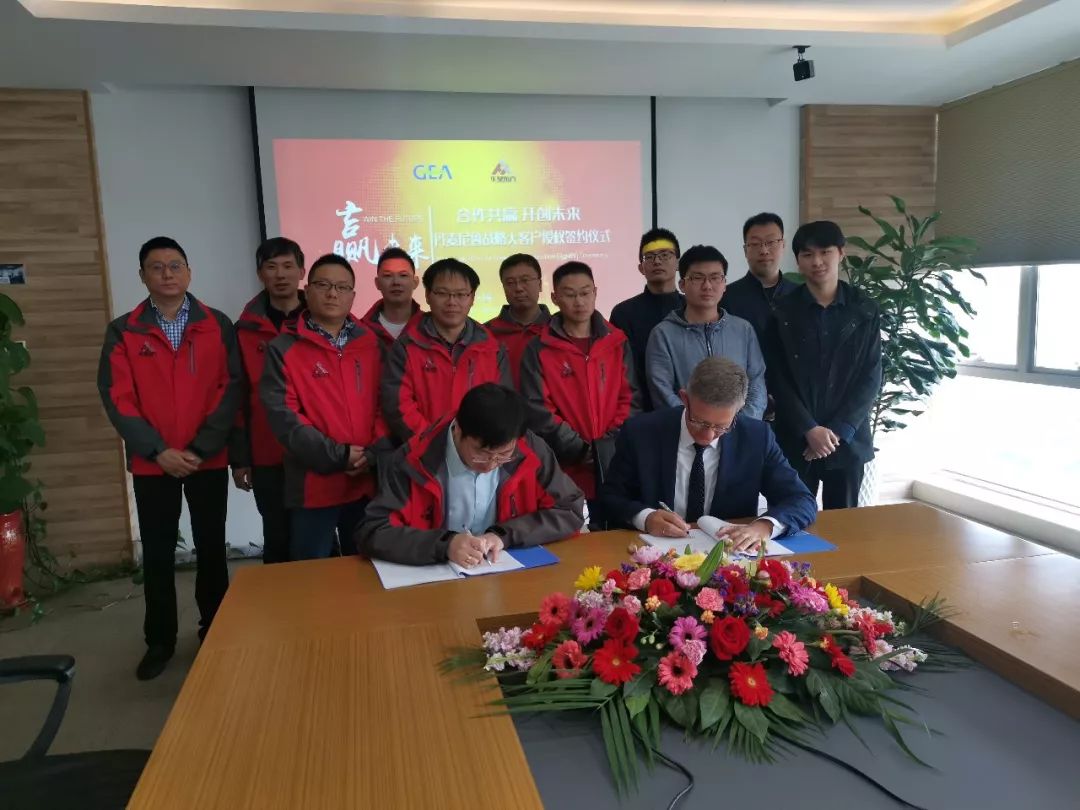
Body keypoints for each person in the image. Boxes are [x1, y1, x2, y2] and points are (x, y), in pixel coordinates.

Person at [97, 236, 241, 680]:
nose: (167, 273)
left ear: (189, 272)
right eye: (156, 267)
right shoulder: (124, 330)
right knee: (158, 555)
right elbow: (117, 397)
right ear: (142, 276)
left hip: (205, 460)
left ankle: (215, 630)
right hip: (153, 463)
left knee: (212, 549)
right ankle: (159, 641)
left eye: (175, 265)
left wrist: (199, 449)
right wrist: (158, 451)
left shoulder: (217, 324)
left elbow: (231, 388)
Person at [599, 357, 817, 553]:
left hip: (729, 560)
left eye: (722, 427)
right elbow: (610, 498)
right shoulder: (641, 433)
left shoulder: (756, 437)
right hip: (657, 556)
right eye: (699, 422)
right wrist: (646, 518)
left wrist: (764, 526)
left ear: (739, 410)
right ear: (684, 398)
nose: (707, 435)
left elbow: (801, 499)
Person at [357, 384, 585, 566]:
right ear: (457, 430)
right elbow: (374, 531)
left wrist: (504, 535)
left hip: (504, 573)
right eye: (481, 454)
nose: (491, 465)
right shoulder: (415, 459)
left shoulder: (530, 451)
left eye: (503, 455)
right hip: (435, 579)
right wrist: (445, 545)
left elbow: (570, 509)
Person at [260, 253, 389, 559]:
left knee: (367, 568)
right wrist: (338, 455)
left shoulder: (372, 344)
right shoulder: (283, 348)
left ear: (353, 296)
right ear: (307, 290)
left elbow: (387, 405)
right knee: (312, 574)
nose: (333, 294)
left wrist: (372, 453)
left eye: (342, 287)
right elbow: (284, 416)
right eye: (323, 285)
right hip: (312, 485)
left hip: (365, 480)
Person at [764, 221, 883, 510]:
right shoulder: (782, 311)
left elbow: (871, 375)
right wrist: (809, 429)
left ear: (841, 253)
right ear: (798, 260)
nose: (817, 261)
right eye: (807, 254)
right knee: (791, 517)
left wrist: (838, 431)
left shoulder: (864, 308)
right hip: (797, 439)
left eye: (825, 252)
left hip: (847, 440)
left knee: (844, 523)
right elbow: (777, 377)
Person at [519, 261, 639, 524]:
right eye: (570, 294)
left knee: (615, 532)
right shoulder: (539, 347)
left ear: (595, 292)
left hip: (614, 461)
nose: (579, 302)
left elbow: (630, 398)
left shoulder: (616, 341)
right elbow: (538, 409)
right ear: (555, 298)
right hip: (565, 465)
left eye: (585, 293)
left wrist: (607, 447)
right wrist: (582, 450)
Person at [230, 237, 306, 564]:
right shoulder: (244, 329)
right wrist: (240, 458)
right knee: (276, 537)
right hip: (267, 452)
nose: (280, 274)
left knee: (316, 539)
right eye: (271, 267)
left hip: (318, 450)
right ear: (260, 274)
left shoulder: (324, 321)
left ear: (302, 271)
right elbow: (237, 397)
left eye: (288, 266)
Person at [381, 258, 510, 443]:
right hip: (422, 450)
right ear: (427, 295)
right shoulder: (406, 346)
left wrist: (474, 446)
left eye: (461, 294)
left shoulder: (493, 348)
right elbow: (398, 406)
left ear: (472, 298)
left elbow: (502, 405)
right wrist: (435, 443)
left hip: (479, 450)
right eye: (442, 293)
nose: (452, 302)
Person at [645, 245, 767, 419]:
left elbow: (756, 383)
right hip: (686, 431)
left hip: (740, 429)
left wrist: (739, 425)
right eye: (697, 278)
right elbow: (663, 392)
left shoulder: (743, 330)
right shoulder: (663, 334)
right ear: (682, 285)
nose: (707, 286)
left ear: (724, 284)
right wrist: (701, 426)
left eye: (715, 277)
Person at [609, 228, 684, 411]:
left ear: (678, 263)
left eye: (665, 254)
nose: (657, 261)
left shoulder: (693, 307)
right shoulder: (623, 313)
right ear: (641, 268)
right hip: (641, 410)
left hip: (691, 409)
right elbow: (621, 370)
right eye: (649, 257)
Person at [722, 213, 799, 342]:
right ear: (745, 250)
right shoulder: (726, 297)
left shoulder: (800, 294)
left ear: (783, 245)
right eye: (755, 243)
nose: (764, 250)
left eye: (771, 242)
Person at [485, 253, 551, 386]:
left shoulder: (558, 330)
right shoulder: (485, 334)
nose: (518, 288)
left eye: (525, 280)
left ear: (540, 284)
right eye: (510, 283)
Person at [360, 247, 422, 347]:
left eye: (403, 275)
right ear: (377, 283)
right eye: (388, 276)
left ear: (415, 282)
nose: (396, 282)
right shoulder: (360, 331)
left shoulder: (430, 328)